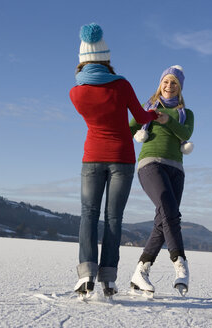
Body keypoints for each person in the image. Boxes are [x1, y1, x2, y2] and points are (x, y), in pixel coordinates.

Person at [69, 23, 158, 298]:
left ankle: (85, 276)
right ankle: (108, 279)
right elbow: (142, 118)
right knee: (113, 219)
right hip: (122, 159)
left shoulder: (76, 93)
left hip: (91, 158)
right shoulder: (121, 84)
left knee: (88, 215)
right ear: (106, 57)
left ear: (82, 59)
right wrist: (154, 114)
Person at [129, 65, 194, 296]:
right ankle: (180, 263)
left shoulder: (186, 113)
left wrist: (168, 120)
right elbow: (128, 129)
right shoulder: (147, 109)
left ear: (180, 87)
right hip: (150, 164)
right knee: (168, 208)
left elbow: (186, 134)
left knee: (163, 219)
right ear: (160, 84)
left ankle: (141, 271)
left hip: (176, 169)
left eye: (174, 82)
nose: (169, 85)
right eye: (166, 81)